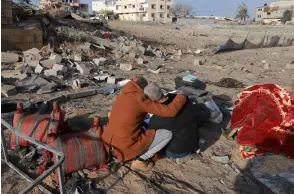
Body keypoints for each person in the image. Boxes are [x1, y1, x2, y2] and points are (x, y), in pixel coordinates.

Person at [102, 77, 186, 171]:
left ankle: (120, 156)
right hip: (124, 147)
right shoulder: (140, 98)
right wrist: (181, 96)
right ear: (143, 88)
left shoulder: (122, 96)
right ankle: (140, 159)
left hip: (108, 142)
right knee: (167, 134)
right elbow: (169, 111)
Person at [145, 83, 210, 164]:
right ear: (161, 91)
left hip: (177, 151)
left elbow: (149, 136)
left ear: (151, 99)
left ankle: (179, 157)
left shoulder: (157, 118)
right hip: (194, 141)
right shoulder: (182, 99)